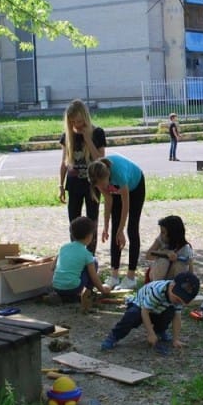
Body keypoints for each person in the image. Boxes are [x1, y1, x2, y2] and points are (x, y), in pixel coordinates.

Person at [100, 271, 201, 352]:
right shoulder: (157, 290)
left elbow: (177, 318)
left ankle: (160, 331)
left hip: (158, 310)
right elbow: (145, 311)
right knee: (132, 315)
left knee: (171, 312)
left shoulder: (177, 299)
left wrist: (176, 339)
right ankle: (114, 336)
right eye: (177, 298)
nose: (178, 301)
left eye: (181, 300)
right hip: (141, 307)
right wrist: (150, 333)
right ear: (171, 285)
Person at [88, 155, 146, 290]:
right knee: (114, 231)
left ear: (107, 176)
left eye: (103, 184)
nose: (101, 187)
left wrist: (122, 229)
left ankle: (130, 277)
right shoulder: (96, 177)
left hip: (135, 186)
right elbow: (108, 201)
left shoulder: (118, 174)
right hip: (118, 189)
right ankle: (114, 275)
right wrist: (106, 226)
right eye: (98, 185)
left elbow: (126, 204)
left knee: (132, 229)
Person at [58, 99, 107, 253]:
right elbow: (64, 162)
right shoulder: (68, 135)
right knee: (74, 222)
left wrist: (87, 139)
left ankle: (90, 256)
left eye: (79, 121)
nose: (77, 125)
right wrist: (60, 185)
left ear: (85, 117)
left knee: (92, 220)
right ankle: (75, 254)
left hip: (92, 185)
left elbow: (100, 160)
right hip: (73, 184)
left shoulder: (98, 133)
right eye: (73, 122)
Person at [51, 216, 111, 311]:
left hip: (56, 286)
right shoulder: (86, 254)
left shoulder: (64, 247)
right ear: (89, 236)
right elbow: (93, 276)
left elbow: (52, 267)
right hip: (73, 287)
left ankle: (63, 296)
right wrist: (103, 289)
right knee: (93, 261)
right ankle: (88, 292)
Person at [145, 215, 194, 282]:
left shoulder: (185, 249)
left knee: (181, 264)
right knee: (163, 261)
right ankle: (156, 288)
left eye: (163, 232)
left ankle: (176, 289)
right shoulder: (161, 239)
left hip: (173, 277)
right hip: (157, 276)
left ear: (172, 234)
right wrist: (165, 253)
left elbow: (191, 271)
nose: (161, 235)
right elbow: (148, 255)